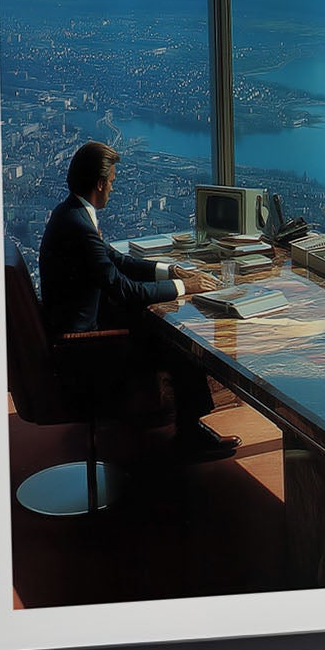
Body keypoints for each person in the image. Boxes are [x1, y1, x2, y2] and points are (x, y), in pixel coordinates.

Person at [38, 141, 238, 461]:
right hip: (84, 348)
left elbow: (116, 260)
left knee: (159, 329)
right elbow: (126, 289)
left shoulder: (70, 213)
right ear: (100, 183)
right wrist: (184, 287)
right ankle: (189, 433)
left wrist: (168, 270)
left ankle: (183, 425)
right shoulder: (79, 226)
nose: (113, 189)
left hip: (78, 332)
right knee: (180, 344)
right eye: (113, 181)